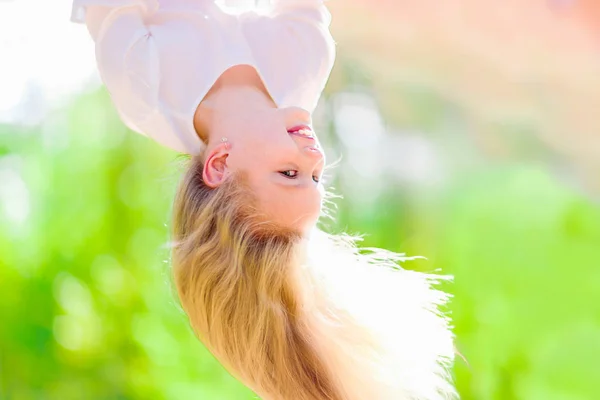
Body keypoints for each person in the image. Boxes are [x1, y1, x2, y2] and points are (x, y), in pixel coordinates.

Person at [72, 1, 457, 399]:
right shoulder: (305, 58)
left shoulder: (145, 89)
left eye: (290, 174)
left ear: (220, 165)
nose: (315, 156)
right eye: (315, 177)